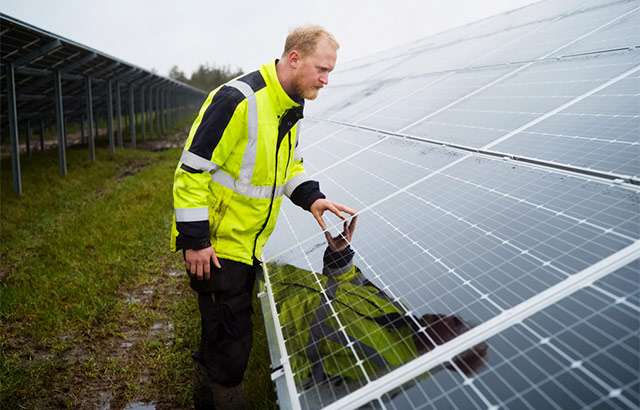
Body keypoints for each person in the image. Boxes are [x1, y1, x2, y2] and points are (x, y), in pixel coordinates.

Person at [170, 26, 355, 408]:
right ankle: (224, 397)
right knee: (233, 344)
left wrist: (313, 199)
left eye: (330, 72)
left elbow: (288, 168)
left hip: (249, 243)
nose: (326, 79)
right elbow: (191, 171)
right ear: (294, 58)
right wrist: (196, 241)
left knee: (223, 329)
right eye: (322, 69)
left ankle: (207, 387)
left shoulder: (289, 108)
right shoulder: (238, 100)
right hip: (219, 245)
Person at [272, 216, 488, 397]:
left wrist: (267, 350)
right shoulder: (400, 313)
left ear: (450, 349)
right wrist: (340, 255)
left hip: (266, 323)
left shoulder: (387, 373)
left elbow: (314, 382)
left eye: (456, 323)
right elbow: (351, 282)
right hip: (274, 278)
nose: (449, 316)